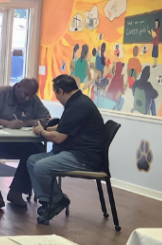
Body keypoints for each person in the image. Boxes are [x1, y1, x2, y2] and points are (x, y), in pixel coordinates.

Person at [27, 74, 107, 226]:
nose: (56, 97)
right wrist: (44, 128)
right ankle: (47, 203)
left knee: (41, 166)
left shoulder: (78, 106)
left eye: (56, 94)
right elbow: (64, 126)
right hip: (73, 152)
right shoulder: (77, 101)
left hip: (83, 158)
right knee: (32, 161)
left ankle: (58, 200)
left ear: (60, 92)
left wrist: (42, 132)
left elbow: (59, 138)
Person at [0, 77, 50, 211]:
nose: (26, 99)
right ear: (18, 86)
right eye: (25, 94)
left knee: (36, 151)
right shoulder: (0, 93)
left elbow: (46, 118)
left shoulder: (32, 99)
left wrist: (25, 123)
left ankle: (17, 191)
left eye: (30, 96)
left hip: (17, 141)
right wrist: (8, 123)